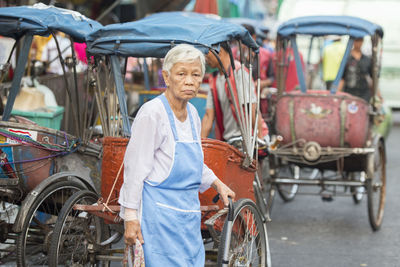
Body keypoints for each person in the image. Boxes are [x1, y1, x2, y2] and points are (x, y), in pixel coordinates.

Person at [118, 44, 235, 266]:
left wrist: (217, 183)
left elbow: (194, 164)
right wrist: (131, 217)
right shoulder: (152, 114)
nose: (189, 81)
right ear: (167, 77)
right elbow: (134, 169)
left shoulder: (193, 114)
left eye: (195, 74)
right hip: (157, 220)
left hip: (187, 219)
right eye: (181, 74)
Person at [201, 42, 262, 142]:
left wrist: (260, 139)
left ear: (218, 51)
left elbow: (252, 108)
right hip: (229, 140)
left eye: (207, 53)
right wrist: (200, 144)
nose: (205, 58)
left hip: (246, 139)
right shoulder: (214, 78)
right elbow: (208, 116)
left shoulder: (239, 73)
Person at [338, 37, 380, 102]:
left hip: (364, 95)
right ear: (353, 41)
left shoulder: (367, 60)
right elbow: (342, 78)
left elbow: (373, 79)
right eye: (357, 40)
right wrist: (337, 94)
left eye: (360, 40)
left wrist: (378, 94)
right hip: (349, 94)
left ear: (363, 41)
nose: (358, 43)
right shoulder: (346, 59)